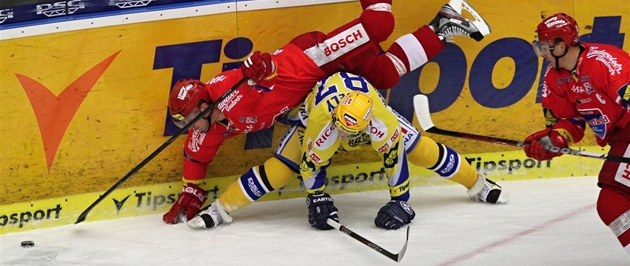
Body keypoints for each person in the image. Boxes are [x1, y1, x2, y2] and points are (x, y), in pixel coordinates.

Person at [163, 0, 491, 225]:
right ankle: (443, 25)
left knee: (378, 23)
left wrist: (263, 66)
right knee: (386, 73)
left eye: (188, 118)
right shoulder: (209, 126)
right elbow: (196, 158)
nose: (187, 126)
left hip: (314, 59)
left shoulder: (225, 92)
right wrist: (192, 188)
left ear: (205, 106)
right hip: (317, 83)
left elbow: (261, 73)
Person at [187, 72, 506, 230]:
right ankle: (219, 210)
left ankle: (478, 183)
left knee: (419, 148)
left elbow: (394, 159)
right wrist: (318, 197)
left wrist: (401, 203)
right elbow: (312, 166)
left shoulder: (380, 119)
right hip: (313, 114)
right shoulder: (325, 122)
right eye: (343, 131)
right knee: (283, 168)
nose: (345, 138)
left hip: (365, 109)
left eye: (352, 134)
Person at [523, 12, 630, 256]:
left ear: (561, 44)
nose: (543, 54)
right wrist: (553, 140)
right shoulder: (553, 78)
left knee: (612, 201)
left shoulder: (605, 62)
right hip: (620, 139)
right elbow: (571, 122)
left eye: (545, 46)